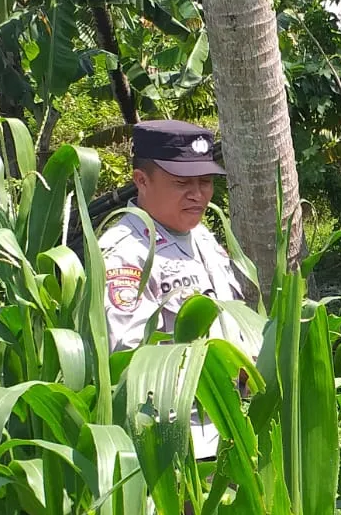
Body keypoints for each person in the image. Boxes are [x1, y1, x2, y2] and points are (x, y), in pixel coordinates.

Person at [99, 119, 245, 461]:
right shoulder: (125, 252)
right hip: (175, 447)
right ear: (141, 180)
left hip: (229, 436)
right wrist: (223, 376)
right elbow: (128, 359)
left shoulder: (204, 239)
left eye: (206, 182)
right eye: (182, 183)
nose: (198, 195)